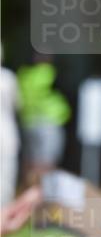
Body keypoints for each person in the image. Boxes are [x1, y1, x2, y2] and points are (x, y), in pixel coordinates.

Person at [17, 57, 70, 185]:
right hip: (49, 122)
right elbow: (65, 91)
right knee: (47, 162)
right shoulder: (50, 73)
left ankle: (29, 190)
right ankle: (43, 194)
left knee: (30, 161)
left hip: (28, 122)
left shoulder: (25, 74)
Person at [1, 46, 21, 206]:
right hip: (7, 132)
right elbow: (17, 104)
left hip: (6, 132)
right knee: (6, 174)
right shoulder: (9, 78)